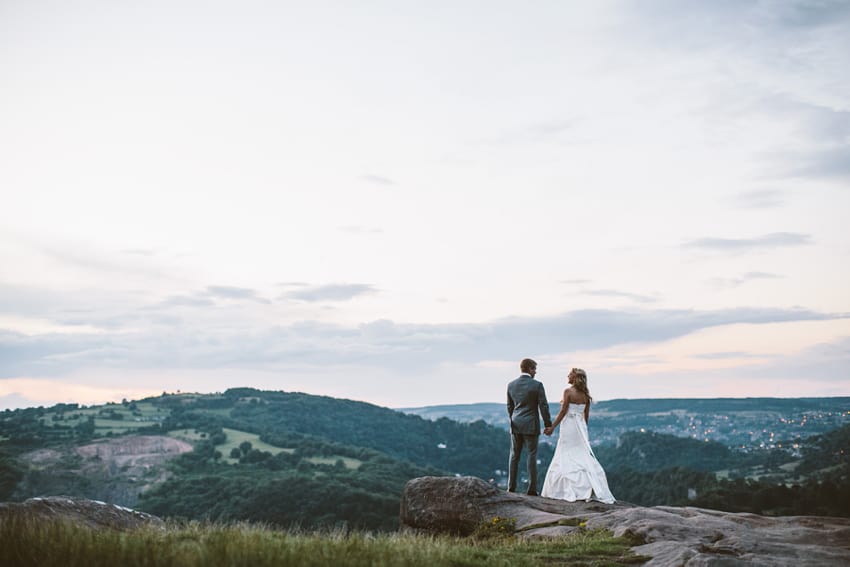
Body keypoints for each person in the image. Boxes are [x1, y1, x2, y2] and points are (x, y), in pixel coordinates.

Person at [541, 368, 615, 504]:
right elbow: (585, 416)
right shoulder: (585, 395)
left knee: (566, 453)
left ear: (575, 377)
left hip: (568, 425)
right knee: (581, 453)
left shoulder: (567, 392)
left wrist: (552, 427)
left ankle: (566, 488)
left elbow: (563, 412)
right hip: (580, 427)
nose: (567, 376)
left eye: (570, 374)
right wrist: (583, 431)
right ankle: (588, 485)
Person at [506, 358, 553, 496]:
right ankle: (532, 489)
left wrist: (513, 419)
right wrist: (548, 424)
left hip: (515, 423)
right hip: (531, 424)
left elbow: (510, 406)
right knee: (531, 455)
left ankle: (511, 487)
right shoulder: (537, 385)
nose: (535, 372)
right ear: (530, 368)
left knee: (514, 455)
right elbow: (543, 406)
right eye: (535, 369)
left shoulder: (511, 385)